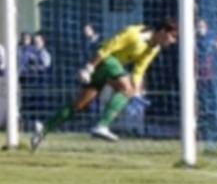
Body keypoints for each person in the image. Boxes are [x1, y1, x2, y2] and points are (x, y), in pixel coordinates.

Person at [31, 17, 179, 150]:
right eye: (173, 36)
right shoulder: (134, 34)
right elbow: (107, 47)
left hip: (110, 67)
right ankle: (102, 125)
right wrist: (89, 67)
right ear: (163, 31)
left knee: (78, 105)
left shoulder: (154, 48)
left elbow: (139, 70)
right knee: (126, 89)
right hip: (105, 60)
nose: (173, 41)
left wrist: (137, 92)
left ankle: (43, 129)